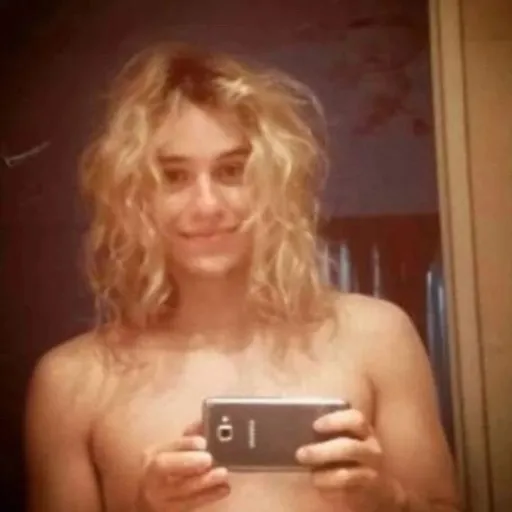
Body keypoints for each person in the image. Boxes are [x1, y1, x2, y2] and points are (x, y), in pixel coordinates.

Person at [25, 42, 461, 512]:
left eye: (232, 171)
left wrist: (388, 499)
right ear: (134, 196)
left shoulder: (376, 336)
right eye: (173, 176)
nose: (208, 205)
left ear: (273, 180)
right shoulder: (71, 382)